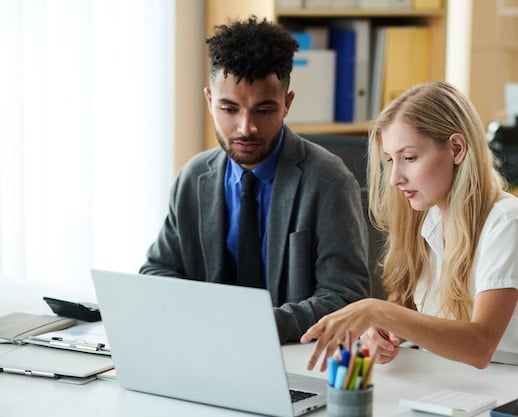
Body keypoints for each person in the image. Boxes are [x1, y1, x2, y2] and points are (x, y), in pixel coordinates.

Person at [301, 81, 518, 373]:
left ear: (457, 149)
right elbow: (406, 305)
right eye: (390, 160)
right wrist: (382, 330)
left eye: (409, 158)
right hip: (458, 377)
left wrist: (378, 311)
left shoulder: (507, 223)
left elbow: (479, 345)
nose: (395, 178)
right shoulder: (426, 214)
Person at [140, 16, 370, 344]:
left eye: (263, 110)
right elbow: (156, 272)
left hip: (289, 357)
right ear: (209, 101)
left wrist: (252, 327)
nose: (246, 127)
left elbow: (346, 298)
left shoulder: (329, 181)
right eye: (229, 109)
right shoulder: (193, 178)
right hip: (204, 351)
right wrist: (203, 320)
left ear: (287, 104)